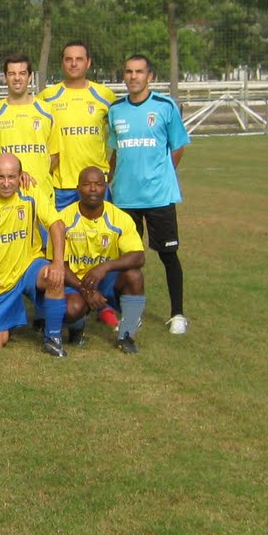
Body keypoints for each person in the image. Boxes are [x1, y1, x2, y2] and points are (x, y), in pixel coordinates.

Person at [108, 54, 192, 335]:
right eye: (129, 72)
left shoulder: (165, 107)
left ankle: (177, 313)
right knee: (127, 256)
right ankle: (129, 311)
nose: (133, 76)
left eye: (139, 72)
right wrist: (112, 181)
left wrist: (161, 176)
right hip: (124, 197)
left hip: (159, 197)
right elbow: (115, 152)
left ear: (150, 76)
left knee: (168, 255)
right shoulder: (116, 110)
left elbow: (177, 147)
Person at [0, 152, 69, 356]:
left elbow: (56, 224)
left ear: (20, 176)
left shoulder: (29, 191)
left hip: (28, 267)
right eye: (0, 177)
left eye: (12, 177)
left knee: (54, 276)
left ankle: (53, 337)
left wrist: (58, 263)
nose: (6, 183)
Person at [59, 166, 148, 354]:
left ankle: (127, 335)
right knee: (72, 308)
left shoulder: (120, 218)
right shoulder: (63, 219)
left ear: (106, 187)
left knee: (134, 276)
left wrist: (105, 267)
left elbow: (138, 256)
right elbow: (59, 264)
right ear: (78, 188)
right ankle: (76, 331)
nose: (93, 189)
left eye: (98, 184)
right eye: (87, 184)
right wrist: (85, 290)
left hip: (106, 279)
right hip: (75, 280)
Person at [40, 40, 116, 209]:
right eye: (68, 59)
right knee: (59, 235)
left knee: (101, 233)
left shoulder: (105, 96)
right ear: (62, 62)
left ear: (88, 62)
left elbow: (120, 138)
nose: (73, 64)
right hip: (61, 186)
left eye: (79, 59)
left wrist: (109, 173)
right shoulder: (47, 97)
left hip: (96, 184)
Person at [0, 53, 58, 206]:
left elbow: (54, 155)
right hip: (5, 197)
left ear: (30, 77)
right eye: (11, 74)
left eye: (22, 73)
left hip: (41, 193)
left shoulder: (47, 111)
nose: (17, 78)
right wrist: (6, 181)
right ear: (5, 77)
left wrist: (37, 175)